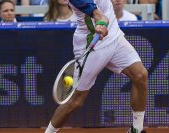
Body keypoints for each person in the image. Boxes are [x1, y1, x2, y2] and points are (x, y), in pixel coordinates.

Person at [45, 0, 148, 133]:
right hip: (91, 45)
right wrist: (100, 22)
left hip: (114, 37)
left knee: (140, 75)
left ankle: (136, 129)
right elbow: (99, 15)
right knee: (76, 101)